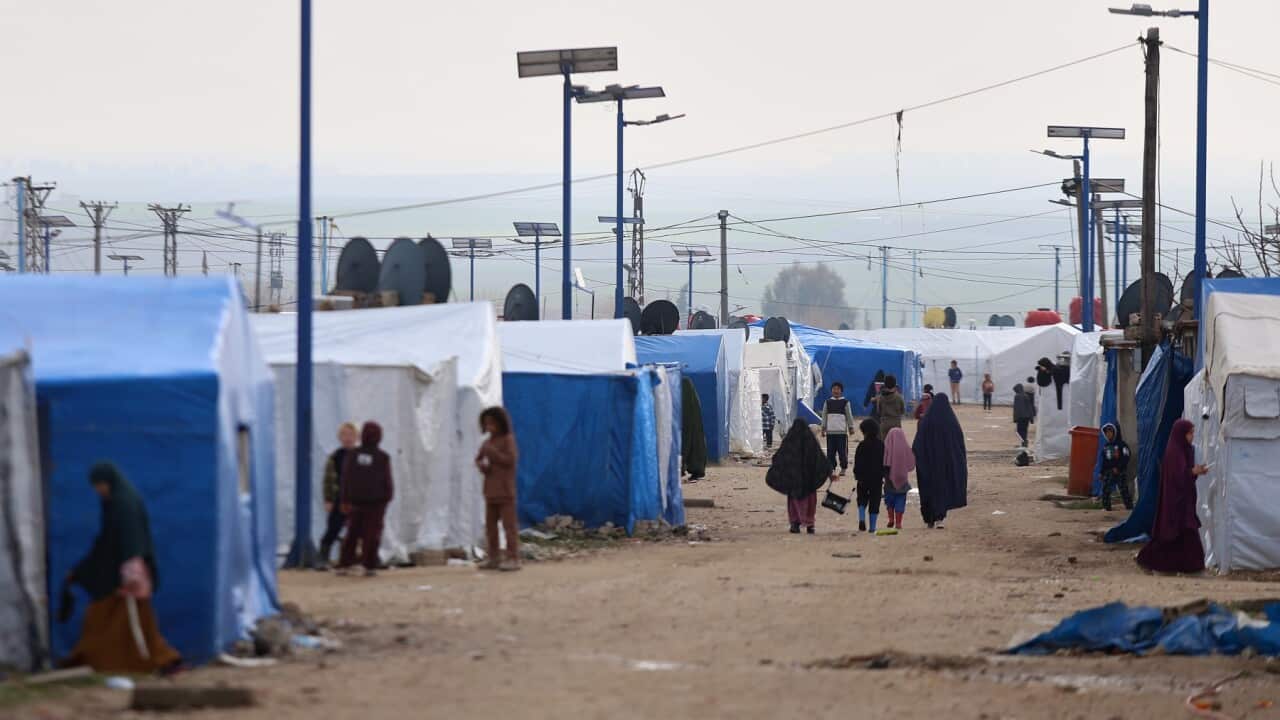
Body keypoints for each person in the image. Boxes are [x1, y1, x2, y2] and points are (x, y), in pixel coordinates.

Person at [63, 463, 181, 674]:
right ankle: (157, 660)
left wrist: (131, 568)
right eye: (96, 486)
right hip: (116, 571)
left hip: (125, 572)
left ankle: (160, 660)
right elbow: (108, 540)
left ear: (109, 482)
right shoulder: (117, 503)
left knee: (125, 620)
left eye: (101, 485)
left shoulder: (123, 503)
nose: (99, 490)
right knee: (118, 621)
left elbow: (130, 538)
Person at [1136, 419, 1208, 574]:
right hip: (1176, 503)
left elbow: (1186, 474)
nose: (1192, 436)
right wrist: (1192, 472)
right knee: (1183, 535)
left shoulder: (1184, 450)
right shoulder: (1175, 452)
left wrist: (1195, 472)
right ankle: (1194, 569)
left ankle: (1152, 562)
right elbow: (1178, 476)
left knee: (1174, 537)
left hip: (1183, 502)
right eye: (1190, 433)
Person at [337, 421, 393, 577]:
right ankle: (368, 565)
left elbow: (346, 479)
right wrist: (387, 498)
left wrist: (344, 499)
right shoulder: (383, 457)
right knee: (372, 535)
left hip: (356, 503)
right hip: (376, 504)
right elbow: (387, 481)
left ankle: (345, 563)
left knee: (352, 534)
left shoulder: (353, 455)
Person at [766, 419, 833, 535]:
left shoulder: (789, 441)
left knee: (794, 502)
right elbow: (821, 460)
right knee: (810, 503)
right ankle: (810, 525)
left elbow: (779, 457)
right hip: (809, 482)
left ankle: (795, 524)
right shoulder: (811, 442)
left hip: (794, 481)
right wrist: (830, 473)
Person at [912, 394, 968, 529]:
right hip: (945, 465)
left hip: (928, 464)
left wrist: (920, 459)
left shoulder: (926, 422)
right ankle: (940, 517)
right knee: (942, 490)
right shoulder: (951, 422)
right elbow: (959, 445)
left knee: (928, 490)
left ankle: (929, 518)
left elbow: (917, 444)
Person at [477, 407, 521, 571]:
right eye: (486, 424)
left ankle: (513, 557)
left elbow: (510, 460)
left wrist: (493, 454)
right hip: (490, 491)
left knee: (509, 526)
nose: (489, 427)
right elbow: (478, 459)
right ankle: (493, 557)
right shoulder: (487, 443)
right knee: (490, 527)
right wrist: (482, 466)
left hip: (505, 491)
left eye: (492, 423)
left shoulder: (507, 440)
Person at [318, 422, 359, 568]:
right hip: (339, 500)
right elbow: (328, 480)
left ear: (357, 437)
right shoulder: (335, 457)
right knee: (333, 528)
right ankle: (323, 557)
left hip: (357, 500)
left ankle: (360, 558)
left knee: (359, 530)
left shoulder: (360, 456)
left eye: (351, 435)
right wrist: (328, 499)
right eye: (344, 435)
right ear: (340, 438)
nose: (348, 438)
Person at [852, 418, 884, 533]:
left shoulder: (861, 445)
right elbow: (884, 462)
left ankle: (861, 518)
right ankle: (872, 527)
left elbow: (857, 462)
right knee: (875, 501)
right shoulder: (881, 445)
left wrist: (857, 475)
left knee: (861, 498)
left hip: (863, 478)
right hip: (877, 478)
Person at [883, 426, 916, 531]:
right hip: (903, 481)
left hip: (889, 481)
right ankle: (898, 523)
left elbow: (884, 463)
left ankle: (891, 519)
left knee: (889, 501)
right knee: (900, 501)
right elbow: (911, 462)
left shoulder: (887, 447)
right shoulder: (905, 447)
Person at [822, 381, 855, 476]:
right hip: (830, 432)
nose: (836, 391)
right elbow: (824, 416)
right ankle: (832, 468)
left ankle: (843, 468)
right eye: (834, 389)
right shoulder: (827, 402)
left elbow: (849, 415)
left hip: (841, 432)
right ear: (831, 390)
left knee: (842, 451)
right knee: (830, 452)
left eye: (838, 389)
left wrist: (851, 427)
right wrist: (823, 428)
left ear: (841, 391)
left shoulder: (845, 402)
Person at [1099, 423, 1134, 511]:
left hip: (1120, 471)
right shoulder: (1106, 447)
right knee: (1106, 489)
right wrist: (1101, 472)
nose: (1108, 434)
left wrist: (1118, 468)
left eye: (1110, 431)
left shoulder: (1122, 445)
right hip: (1109, 472)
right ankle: (1106, 507)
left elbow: (1126, 457)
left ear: (1115, 432)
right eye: (1106, 432)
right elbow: (1104, 461)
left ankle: (1129, 507)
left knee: (1123, 490)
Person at [681, 377, 708, 481]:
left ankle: (693, 469)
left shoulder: (685, 386)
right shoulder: (686, 386)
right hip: (687, 421)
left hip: (686, 421)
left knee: (692, 442)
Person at [1012, 384, 1035, 448]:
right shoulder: (1026, 396)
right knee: (1024, 430)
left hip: (1020, 417)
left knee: (1019, 431)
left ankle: (1024, 442)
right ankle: (1024, 442)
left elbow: (1016, 408)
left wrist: (1015, 418)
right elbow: (1030, 407)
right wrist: (1031, 418)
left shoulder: (1017, 396)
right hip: (1027, 417)